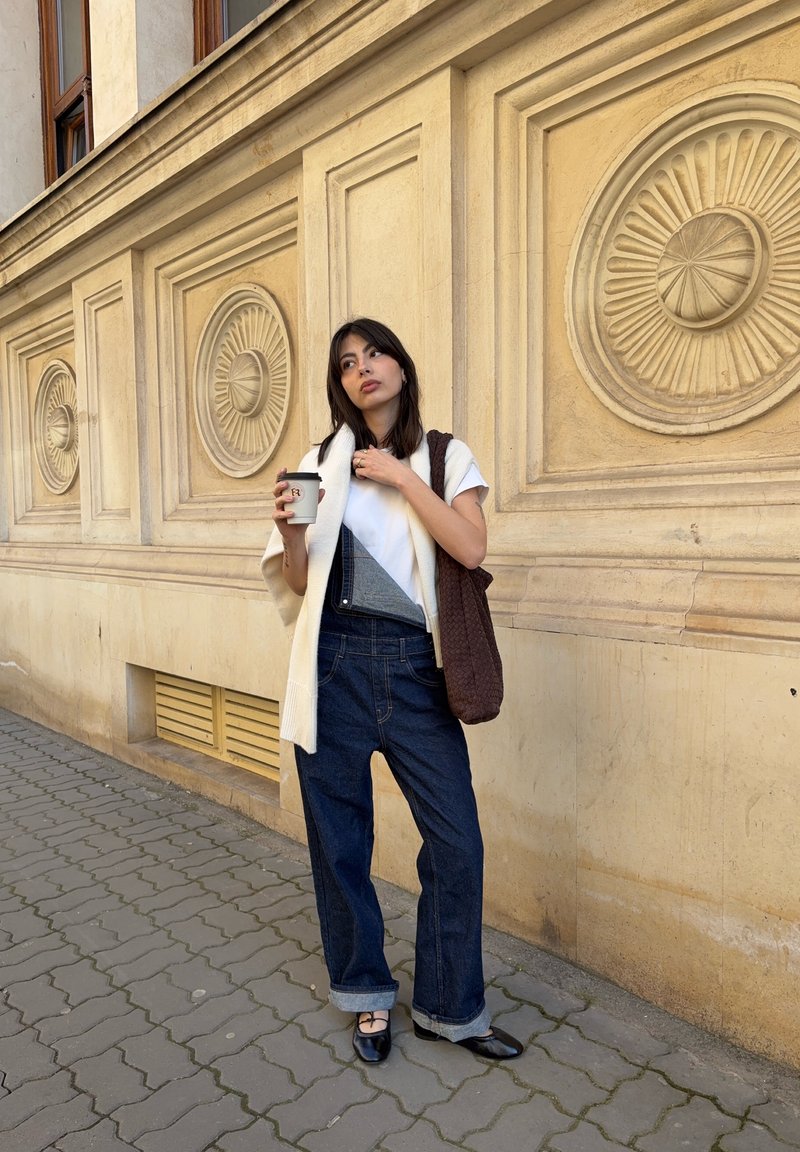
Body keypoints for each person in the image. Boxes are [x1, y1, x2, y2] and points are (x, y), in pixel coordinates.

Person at [261, 317, 522, 1064]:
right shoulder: (319, 462)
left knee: (457, 841)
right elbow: (303, 581)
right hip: (335, 664)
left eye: (374, 354)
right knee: (340, 841)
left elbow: (471, 548)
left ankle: (450, 1007)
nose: (362, 368)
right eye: (347, 362)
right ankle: (367, 996)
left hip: (415, 668)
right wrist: (287, 533)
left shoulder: (443, 455)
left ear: (401, 367)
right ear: (339, 384)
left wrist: (402, 476)